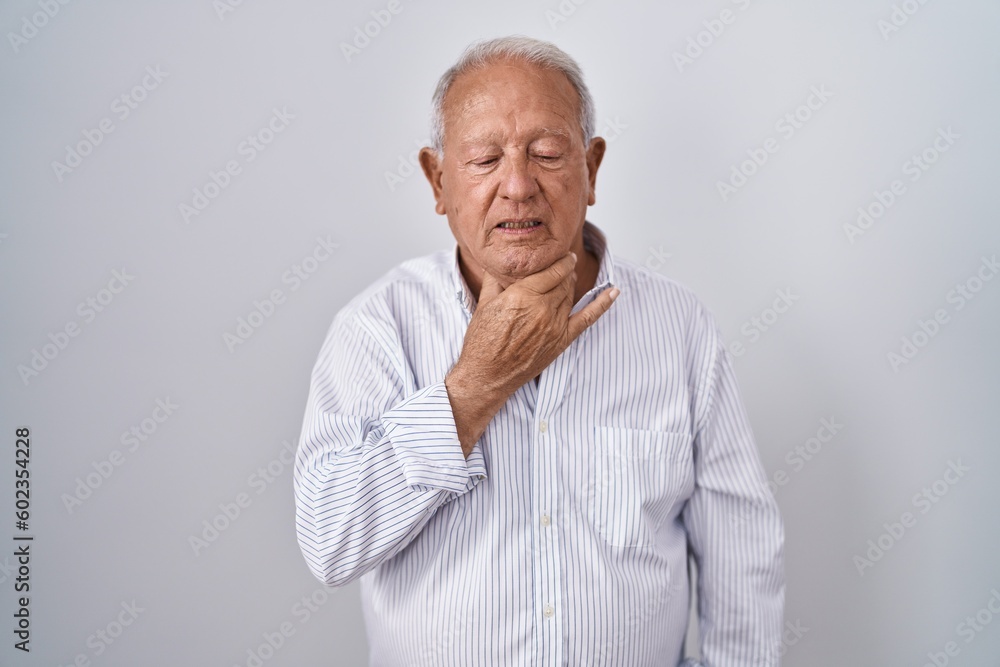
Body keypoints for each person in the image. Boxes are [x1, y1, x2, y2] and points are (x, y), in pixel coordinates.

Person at [293, 35, 784, 666]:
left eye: (547, 153)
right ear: (438, 181)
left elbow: (741, 556)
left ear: (592, 168)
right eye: (484, 159)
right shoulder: (375, 328)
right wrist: (472, 387)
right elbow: (332, 543)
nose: (518, 185)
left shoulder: (678, 325)